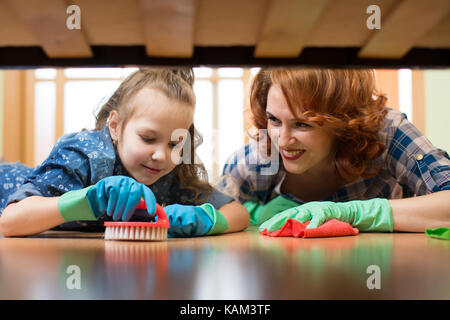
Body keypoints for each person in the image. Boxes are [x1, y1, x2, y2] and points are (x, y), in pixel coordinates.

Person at [0, 68, 249, 237]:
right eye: (148, 138)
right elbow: (10, 221)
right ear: (115, 126)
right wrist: (86, 200)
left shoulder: (173, 173)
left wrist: (205, 219)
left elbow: (238, 213)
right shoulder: (85, 155)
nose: (162, 155)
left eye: (175, 143)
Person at [219, 68, 450, 234]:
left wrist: (357, 213)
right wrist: (253, 216)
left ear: (343, 121)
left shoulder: (385, 133)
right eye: (274, 120)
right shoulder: (253, 162)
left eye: (303, 124)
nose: (283, 141)